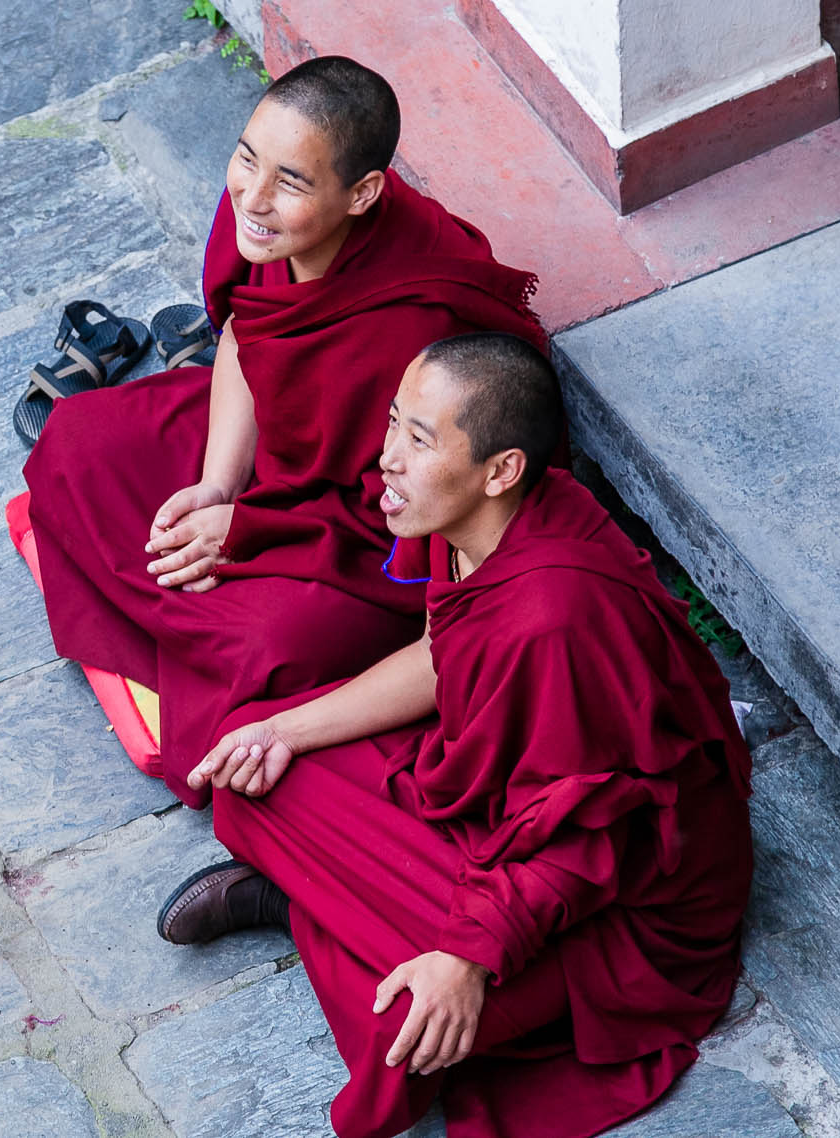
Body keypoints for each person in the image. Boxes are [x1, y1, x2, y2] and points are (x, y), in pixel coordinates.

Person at [162, 334, 752, 1138]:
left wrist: (465, 960)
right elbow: (446, 653)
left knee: (400, 1039)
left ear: (500, 468)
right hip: (509, 807)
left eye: (420, 440)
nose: (388, 461)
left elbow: (594, 838)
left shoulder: (558, 620)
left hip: (618, 908)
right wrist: (285, 728)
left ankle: (309, 906)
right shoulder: (481, 517)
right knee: (248, 763)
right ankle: (340, 909)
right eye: (396, 425)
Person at [21, 56, 546, 804]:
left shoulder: (420, 323)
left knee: (270, 650)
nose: (254, 197)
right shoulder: (262, 216)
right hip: (273, 451)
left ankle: (191, 645)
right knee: (74, 445)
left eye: (291, 182)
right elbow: (244, 331)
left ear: (363, 193)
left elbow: (414, 515)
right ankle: (188, 633)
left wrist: (247, 530)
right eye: (245, 158)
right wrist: (217, 484)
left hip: (364, 537)